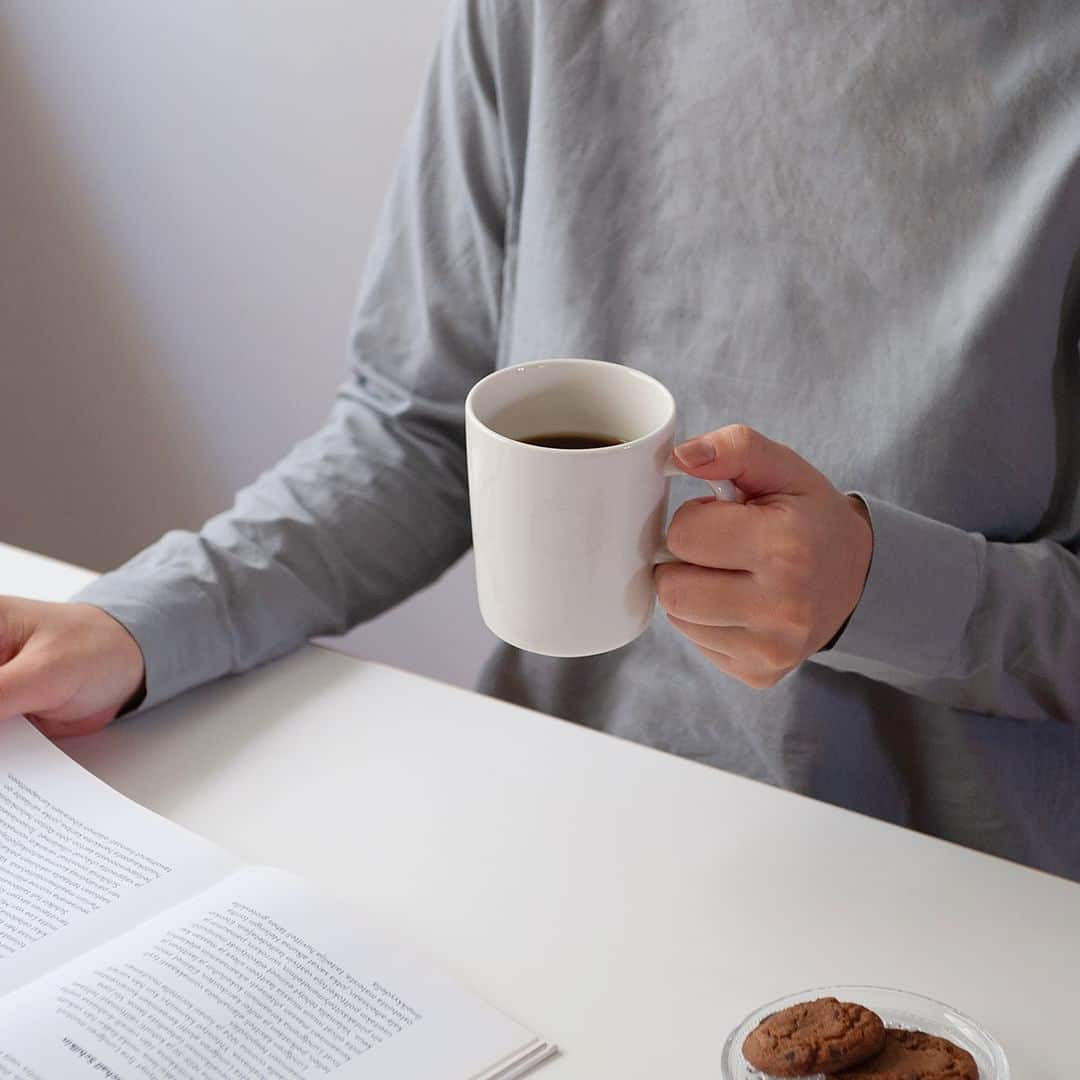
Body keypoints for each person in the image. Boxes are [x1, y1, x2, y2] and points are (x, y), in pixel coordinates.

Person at [2, 2, 1078, 880]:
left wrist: (878, 589)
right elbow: (418, 432)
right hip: (557, 826)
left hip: (956, 900)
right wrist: (144, 627)